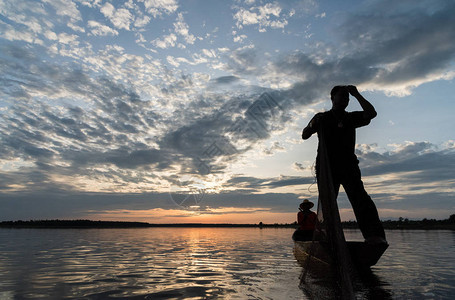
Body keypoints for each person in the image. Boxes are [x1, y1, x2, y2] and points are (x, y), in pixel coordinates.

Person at [302, 85, 386, 244]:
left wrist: (356, 94)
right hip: (327, 169)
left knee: (361, 199)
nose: (345, 100)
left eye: (347, 97)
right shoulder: (322, 117)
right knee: (329, 204)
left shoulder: (351, 118)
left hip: (349, 166)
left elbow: (371, 113)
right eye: (342, 96)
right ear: (332, 98)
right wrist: (313, 124)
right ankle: (332, 238)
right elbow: (305, 135)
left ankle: (374, 236)